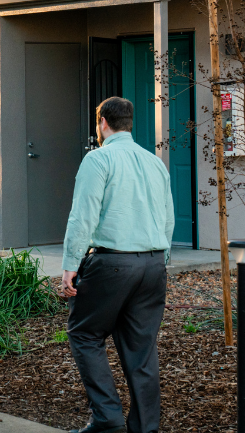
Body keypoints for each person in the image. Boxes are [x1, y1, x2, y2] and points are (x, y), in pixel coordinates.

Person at [60, 97, 175, 433]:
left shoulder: (98, 160)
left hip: (112, 263)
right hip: (153, 265)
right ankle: (145, 427)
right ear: (130, 123)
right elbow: (167, 218)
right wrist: (161, 260)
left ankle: (107, 418)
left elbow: (83, 216)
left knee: (83, 333)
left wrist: (70, 265)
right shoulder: (155, 163)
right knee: (141, 349)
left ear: (103, 124)